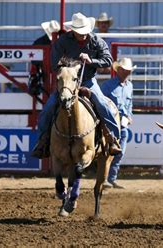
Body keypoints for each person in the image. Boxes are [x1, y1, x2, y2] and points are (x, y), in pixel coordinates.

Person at [31, 12, 121, 159]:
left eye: (85, 32)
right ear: (73, 30)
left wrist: (91, 60)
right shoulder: (62, 42)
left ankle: (112, 139)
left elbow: (108, 60)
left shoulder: (95, 40)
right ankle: (42, 141)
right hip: (67, 82)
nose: (83, 35)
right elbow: (55, 64)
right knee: (48, 108)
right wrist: (72, 66)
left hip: (88, 81)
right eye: (80, 33)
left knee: (102, 104)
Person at [100, 58, 136, 189]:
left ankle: (110, 179)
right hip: (109, 123)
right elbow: (101, 104)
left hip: (123, 124)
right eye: (124, 70)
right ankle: (105, 179)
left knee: (119, 152)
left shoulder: (129, 86)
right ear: (118, 70)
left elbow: (129, 104)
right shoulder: (107, 86)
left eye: (128, 71)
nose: (127, 73)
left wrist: (129, 116)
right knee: (107, 152)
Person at [28, 20, 60, 96]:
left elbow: (34, 62)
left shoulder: (38, 42)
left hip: (44, 73)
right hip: (52, 72)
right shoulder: (62, 41)